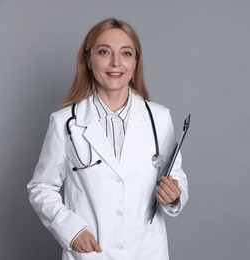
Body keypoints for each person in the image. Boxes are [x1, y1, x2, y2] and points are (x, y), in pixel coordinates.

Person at [27, 18, 188, 260]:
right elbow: (41, 187)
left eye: (126, 53)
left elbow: (176, 178)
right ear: (89, 60)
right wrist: (71, 230)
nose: (116, 63)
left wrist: (174, 196)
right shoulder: (65, 122)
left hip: (147, 252)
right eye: (104, 52)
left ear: (135, 62)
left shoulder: (159, 118)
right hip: (92, 253)